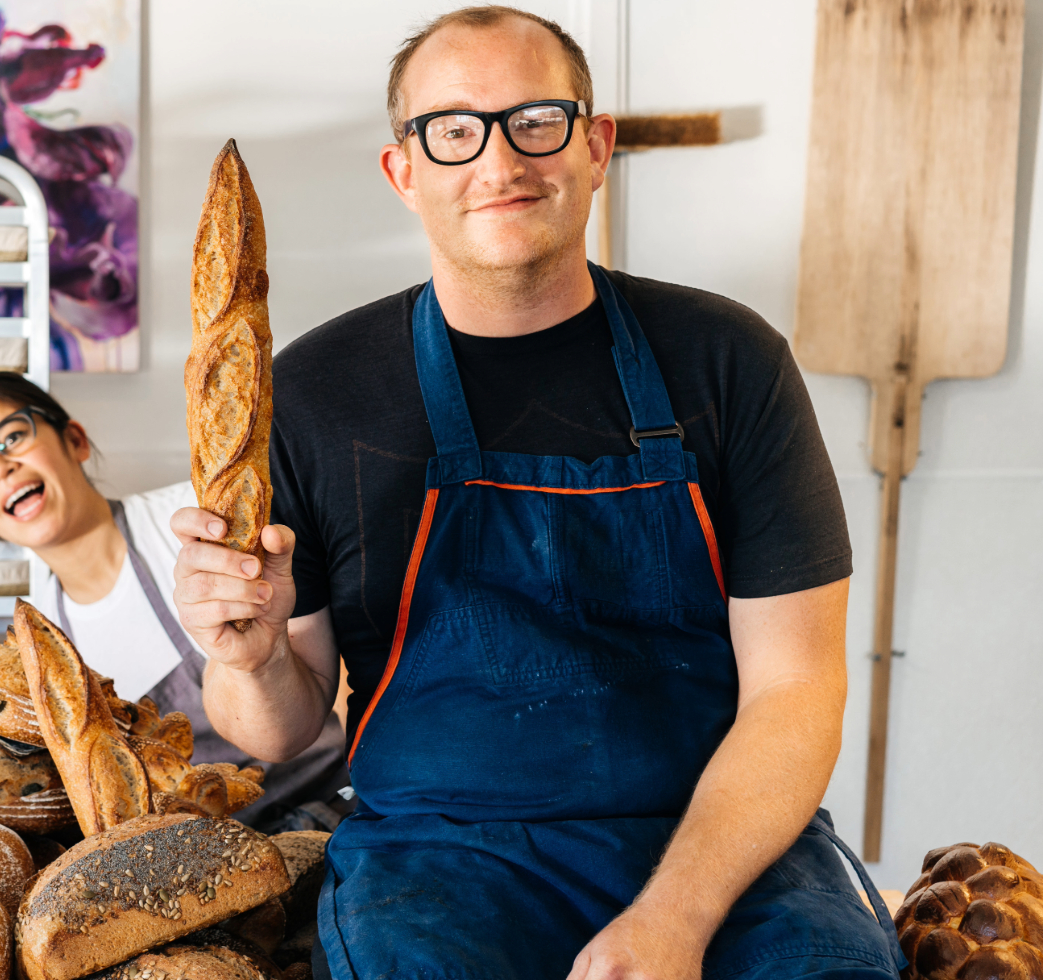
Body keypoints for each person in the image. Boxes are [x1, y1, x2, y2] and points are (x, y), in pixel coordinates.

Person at [170, 7, 906, 980]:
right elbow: (286, 725)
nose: (500, 159)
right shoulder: (311, 393)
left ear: (595, 146)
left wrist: (677, 915)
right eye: (454, 128)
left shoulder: (730, 361)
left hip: (723, 841)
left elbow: (798, 688)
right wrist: (250, 655)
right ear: (405, 171)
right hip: (439, 862)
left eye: (537, 120)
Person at [0, 372, 348, 831]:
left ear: (75, 440)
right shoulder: (37, 646)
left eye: (12, 436)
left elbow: (335, 652)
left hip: (332, 803)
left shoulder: (196, 524)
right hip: (206, 856)